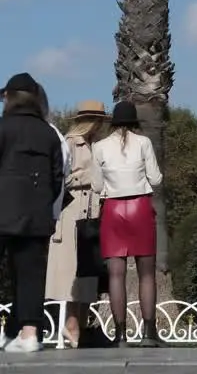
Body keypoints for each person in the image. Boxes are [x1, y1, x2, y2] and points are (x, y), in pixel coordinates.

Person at [0, 73, 65, 353]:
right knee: (30, 274)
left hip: (2, 210)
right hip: (37, 213)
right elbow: (58, 175)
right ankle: (29, 334)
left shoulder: (3, 128)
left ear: (10, 98)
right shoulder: (48, 132)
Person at [90, 102, 163, 347]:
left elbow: (97, 186)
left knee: (116, 274)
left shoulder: (99, 146)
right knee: (146, 273)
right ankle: (149, 334)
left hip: (113, 208)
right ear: (134, 122)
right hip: (140, 206)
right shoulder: (143, 143)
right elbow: (155, 178)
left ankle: (120, 335)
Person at [47, 101, 111, 347]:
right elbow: (63, 177)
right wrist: (90, 176)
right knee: (73, 275)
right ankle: (72, 325)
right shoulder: (70, 143)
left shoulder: (94, 145)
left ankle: (80, 326)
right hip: (73, 213)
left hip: (90, 214)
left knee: (87, 274)